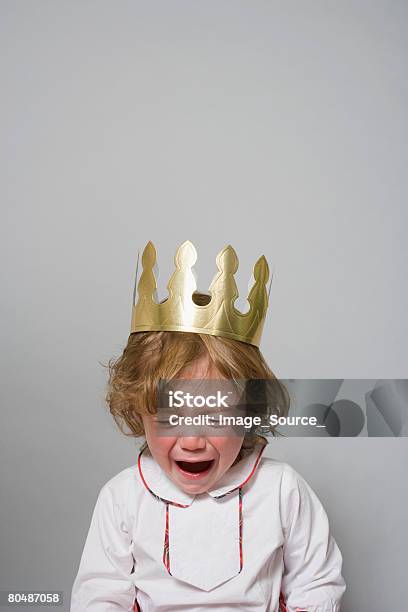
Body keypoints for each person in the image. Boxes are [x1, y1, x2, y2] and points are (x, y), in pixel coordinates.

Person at [70, 241, 346, 611]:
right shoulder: (123, 498)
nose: (192, 440)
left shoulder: (283, 491)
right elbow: (99, 596)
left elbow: (318, 584)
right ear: (139, 412)